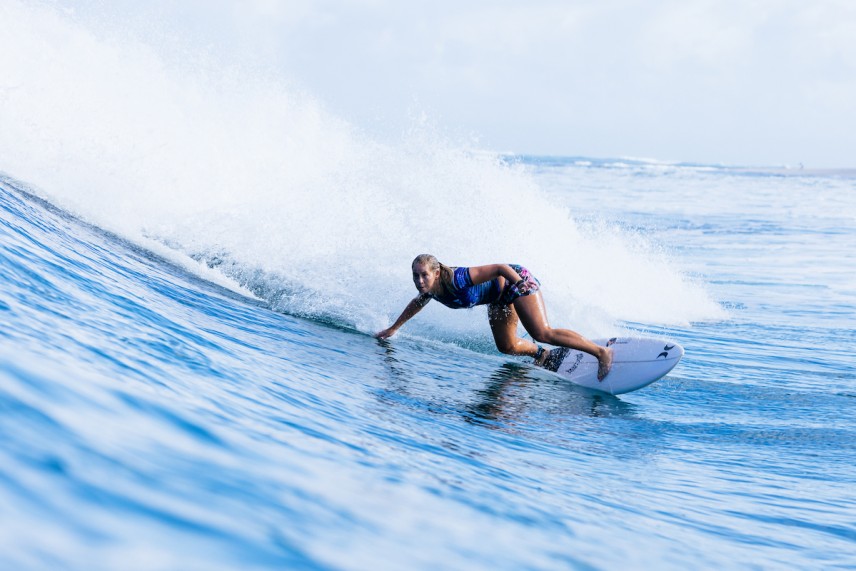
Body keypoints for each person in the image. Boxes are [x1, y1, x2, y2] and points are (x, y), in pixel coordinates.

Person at [376, 254, 613, 380]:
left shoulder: (458, 278)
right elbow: (416, 304)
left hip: (514, 281)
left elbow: (500, 267)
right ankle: (543, 356)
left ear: (436, 273)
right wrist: (393, 328)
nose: (419, 281)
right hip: (498, 298)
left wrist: (520, 284)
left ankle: (601, 352)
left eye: (424, 275)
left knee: (541, 332)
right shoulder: (430, 291)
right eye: (415, 276)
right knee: (507, 346)